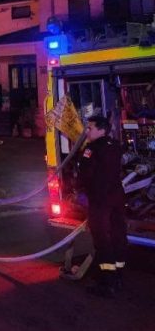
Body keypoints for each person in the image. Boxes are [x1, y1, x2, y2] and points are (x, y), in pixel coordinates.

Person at [78, 115, 127, 298]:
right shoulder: (115, 146)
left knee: (102, 239)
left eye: (90, 128)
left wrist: (81, 191)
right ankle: (119, 276)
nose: (86, 131)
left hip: (100, 201)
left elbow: (85, 174)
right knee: (118, 236)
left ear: (101, 130)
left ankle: (107, 282)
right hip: (116, 198)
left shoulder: (91, 149)